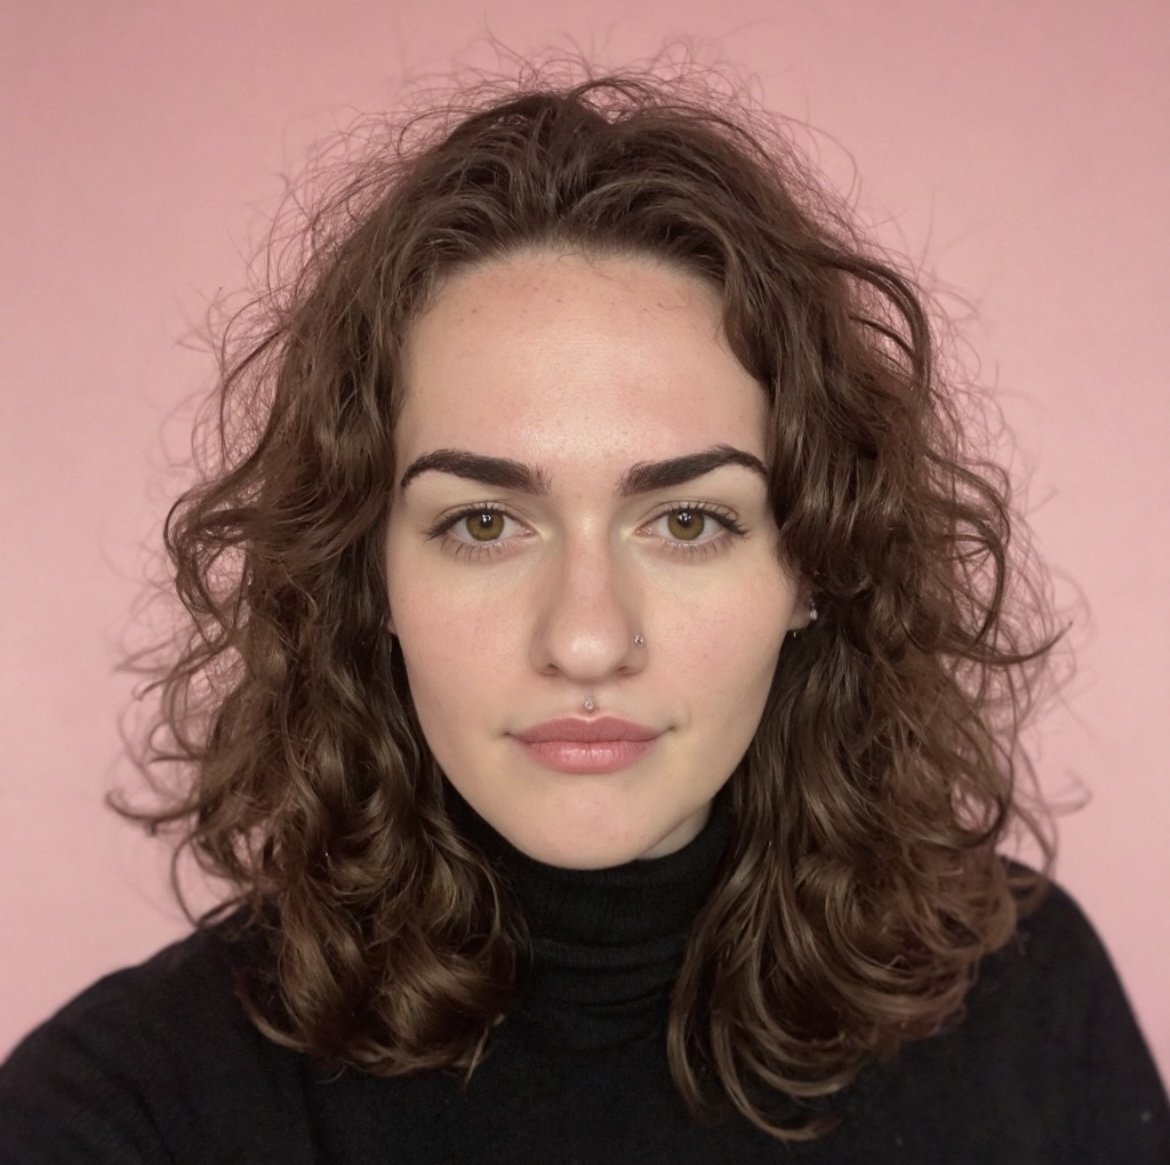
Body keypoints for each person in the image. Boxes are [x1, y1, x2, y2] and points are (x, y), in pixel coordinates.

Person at [1, 63, 1167, 1163]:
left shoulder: (1029, 1002)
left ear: (817, 562)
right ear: (367, 574)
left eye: (689, 520)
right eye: (483, 522)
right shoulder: (122, 1110)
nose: (587, 638)